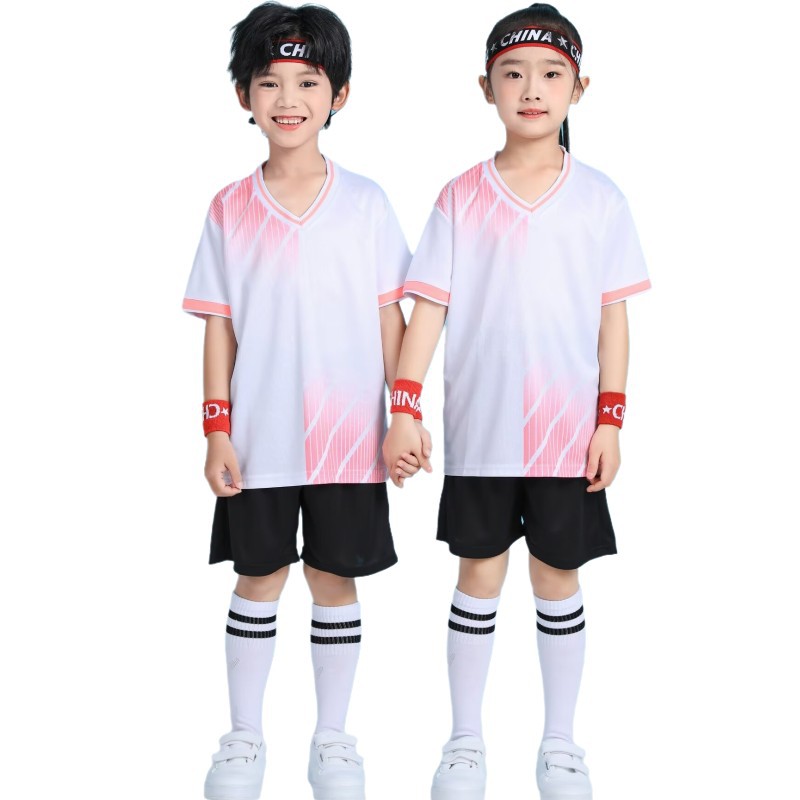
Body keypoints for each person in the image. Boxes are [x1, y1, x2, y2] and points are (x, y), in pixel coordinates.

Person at [382, 4, 651, 799]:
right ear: (486, 87)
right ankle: (464, 741)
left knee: (558, 578)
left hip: (568, 438)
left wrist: (611, 420)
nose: (532, 89)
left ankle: (560, 743)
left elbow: (612, 320)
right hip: (484, 434)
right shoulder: (461, 197)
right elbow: (428, 310)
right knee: (478, 575)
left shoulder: (600, 199)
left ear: (579, 87)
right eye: (514, 74)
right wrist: (404, 407)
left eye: (551, 74)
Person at [183, 4, 425, 799]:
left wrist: (404, 414)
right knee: (257, 578)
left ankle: (333, 740)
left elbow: (391, 319)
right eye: (269, 82)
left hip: (348, 442)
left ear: (339, 95)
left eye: (308, 82)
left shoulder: (365, 203)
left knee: (333, 580)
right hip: (258, 440)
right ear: (243, 96)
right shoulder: (228, 207)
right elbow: (219, 330)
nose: (288, 99)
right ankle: (243, 737)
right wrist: (216, 431)